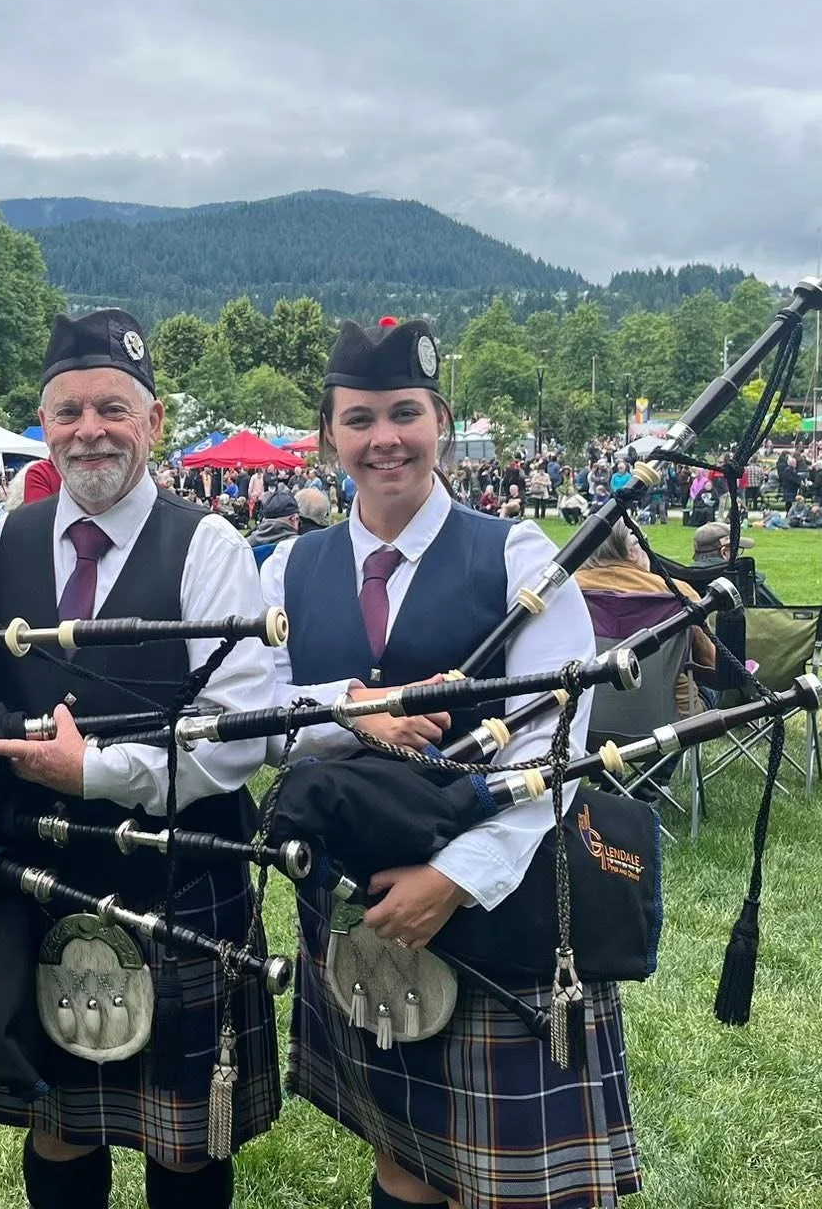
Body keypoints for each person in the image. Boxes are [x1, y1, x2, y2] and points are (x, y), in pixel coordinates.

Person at [257, 319, 636, 1209]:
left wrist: (454, 879)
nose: (383, 438)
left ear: (441, 420)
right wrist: (354, 709)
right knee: (402, 1156)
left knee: (515, 1185)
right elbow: (256, 724)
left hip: (499, 903)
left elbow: (558, 744)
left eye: (404, 413)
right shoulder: (287, 570)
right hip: (355, 906)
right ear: (329, 436)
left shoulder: (517, 555)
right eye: (360, 419)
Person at [0, 309, 279, 1209]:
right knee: (59, 1122)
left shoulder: (210, 547)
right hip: (34, 870)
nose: (90, 431)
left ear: (153, 422)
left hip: (183, 871)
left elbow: (246, 731)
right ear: (44, 425)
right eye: (68, 411)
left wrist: (99, 774)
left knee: (186, 1144)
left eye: (113, 409)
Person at [575, 521, 716, 721]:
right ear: (632, 550)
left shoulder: (566, 592)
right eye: (645, 543)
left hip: (583, 721)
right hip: (672, 727)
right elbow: (711, 663)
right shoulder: (678, 593)